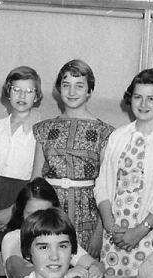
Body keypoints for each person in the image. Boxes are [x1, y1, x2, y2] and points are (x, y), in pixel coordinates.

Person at [31, 59, 114, 258]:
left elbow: (107, 186)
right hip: (50, 209)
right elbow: (35, 179)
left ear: (90, 91)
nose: (71, 92)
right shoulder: (44, 128)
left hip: (88, 212)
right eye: (66, 85)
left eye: (79, 86)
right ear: (59, 89)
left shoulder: (105, 132)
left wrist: (99, 231)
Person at [95, 68, 153, 276]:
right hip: (114, 234)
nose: (143, 104)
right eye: (138, 97)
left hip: (147, 235)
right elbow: (101, 184)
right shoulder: (118, 136)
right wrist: (110, 225)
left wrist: (140, 230)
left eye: (151, 99)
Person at [0, 66, 42, 252]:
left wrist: (13, 211)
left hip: (24, 199)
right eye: (17, 89)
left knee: (17, 253)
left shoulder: (39, 130)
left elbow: (36, 177)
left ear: (36, 97)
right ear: (8, 91)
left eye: (29, 91)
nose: (22, 96)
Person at [2, 178, 103, 278]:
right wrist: (63, 274)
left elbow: (93, 263)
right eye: (31, 215)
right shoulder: (14, 238)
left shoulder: (58, 237)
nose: (38, 220)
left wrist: (96, 269)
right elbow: (16, 273)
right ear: (21, 213)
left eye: (45, 214)